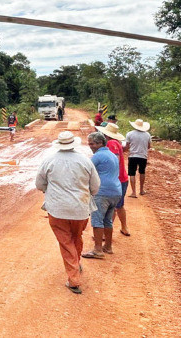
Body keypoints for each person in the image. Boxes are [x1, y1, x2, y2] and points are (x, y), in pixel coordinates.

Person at [36, 131, 100, 295]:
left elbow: (39, 184)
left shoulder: (49, 160)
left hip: (57, 210)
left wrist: (50, 191)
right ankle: (76, 264)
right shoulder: (85, 161)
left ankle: (74, 279)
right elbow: (95, 186)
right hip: (80, 209)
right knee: (76, 237)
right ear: (73, 144)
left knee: (65, 242)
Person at [82, 132, 122, 259]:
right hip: (116, 191)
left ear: (100, 143)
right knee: (108, 220)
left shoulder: (97, 157)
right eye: (89, 144)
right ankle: (108, 247)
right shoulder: (112, 155)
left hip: (102, 192)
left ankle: (97, 249)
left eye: (92, 144)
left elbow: (85, 170)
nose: (90, 146)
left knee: (97, 219)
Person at [96, 123, 130, 236]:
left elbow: (115, 160)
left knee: (112, 207)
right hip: (121, 178)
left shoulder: (111, 143)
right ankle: (124, 227)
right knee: (118, 206)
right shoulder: (117, 143)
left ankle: (107, 233)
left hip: (117, 179)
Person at [125, 119, 152, 198]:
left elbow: (127, 146)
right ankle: (141, 190)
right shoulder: (147, 135)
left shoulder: (129, 134)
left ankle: (133, 192)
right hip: (143, 156)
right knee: (142, 172)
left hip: (133, 156)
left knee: (132, 173)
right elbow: (149, 146)